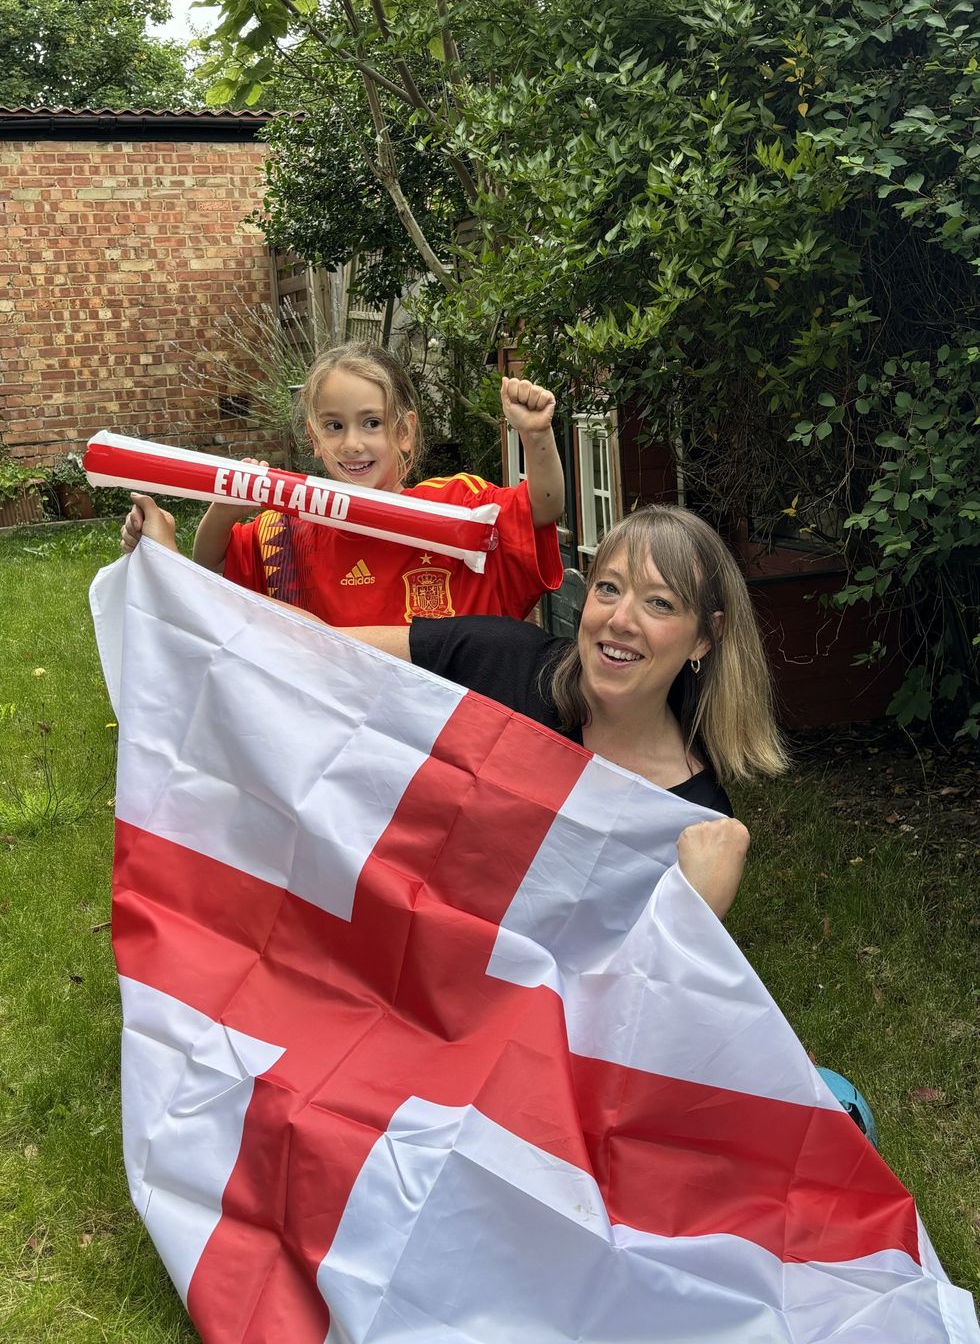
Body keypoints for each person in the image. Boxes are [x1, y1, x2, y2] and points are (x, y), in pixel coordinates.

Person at [126, 498, 782, 923]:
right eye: (608, 588)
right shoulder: (500, 659)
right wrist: (173, 574)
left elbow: (642, 1007)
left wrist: (701, 904)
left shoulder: (694, 824)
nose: (620, 619)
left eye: (660, 604)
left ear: (706, 638)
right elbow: (317, 651)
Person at [121, 343, 565, 626]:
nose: (352, 444)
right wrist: (223, 512)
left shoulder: (457, 503)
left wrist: (536, 435)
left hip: (448, 733)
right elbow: (212, 567)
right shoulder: (286, 530)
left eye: (371, 423)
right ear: (314, 439)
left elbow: (542, 509)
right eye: (334, 426)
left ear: (404, 431)